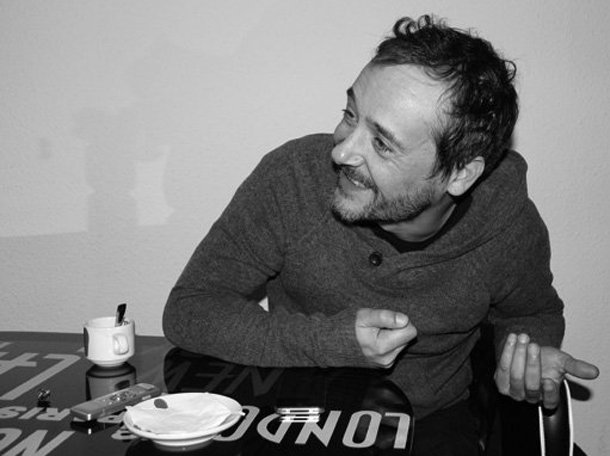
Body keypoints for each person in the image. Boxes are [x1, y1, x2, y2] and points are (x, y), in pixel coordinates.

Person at [163, 15, 599, 455]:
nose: (342, 151)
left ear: (460, 175)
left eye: (383, 144)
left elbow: (532, 312)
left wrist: (526, 355)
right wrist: (330, 341)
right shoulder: (291, 179)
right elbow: (190, 309)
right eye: (350, 115)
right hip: (297, 416)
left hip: (430, 426)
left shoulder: (508, 225)